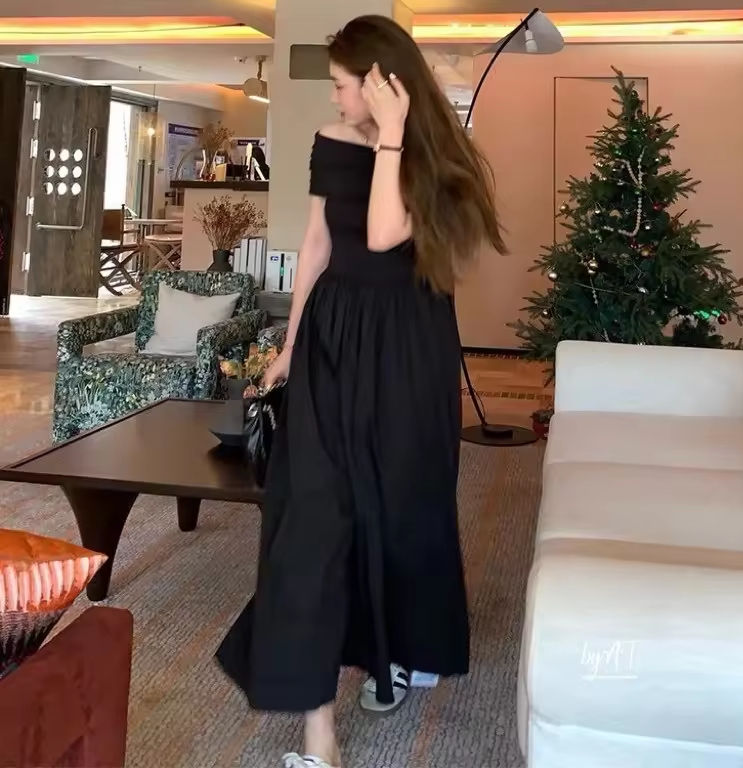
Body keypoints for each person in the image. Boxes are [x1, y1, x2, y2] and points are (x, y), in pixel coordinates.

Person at [215, 14, 505, 768]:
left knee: (402, 501)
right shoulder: (329, 140)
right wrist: (290, 344)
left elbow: (381, 235)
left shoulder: (434, 156)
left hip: (407, 343)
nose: (336, 98)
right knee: (312, 516)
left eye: (345, 85)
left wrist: (394, 135)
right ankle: (319, 734)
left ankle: (399, 647)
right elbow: (318, 243)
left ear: (382, 83)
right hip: (335, 336)